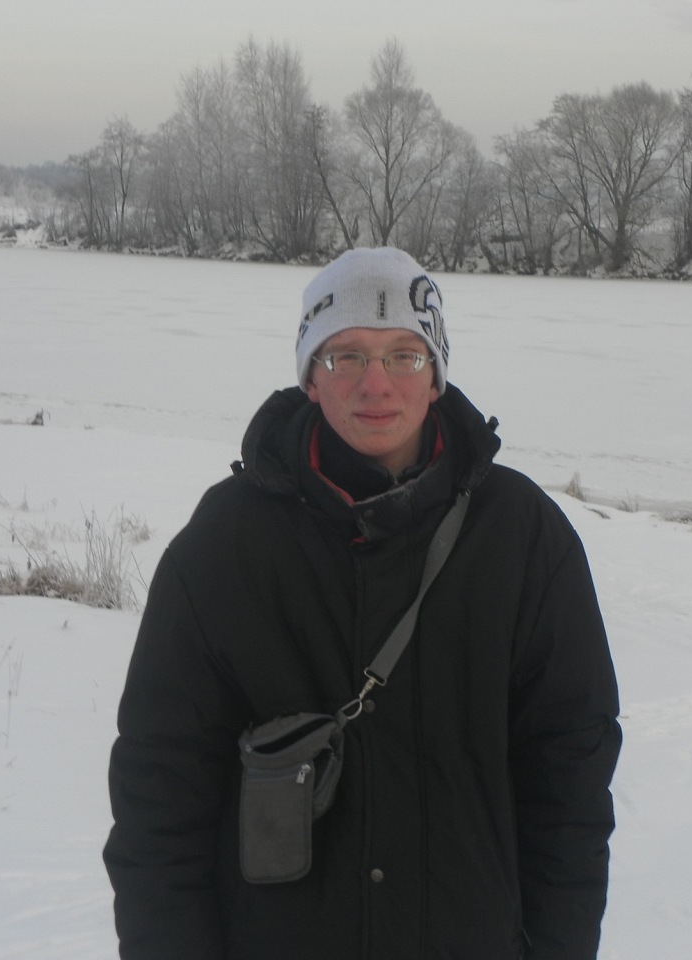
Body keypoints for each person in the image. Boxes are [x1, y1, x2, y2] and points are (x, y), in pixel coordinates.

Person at [103, 246, 621, 960]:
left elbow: (571, 781)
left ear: (435, 375)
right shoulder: (226, 542)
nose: (375, 384)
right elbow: (159, 791)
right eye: (345, 355)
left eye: (404, 355)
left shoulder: (522, 535)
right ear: (311, 377)